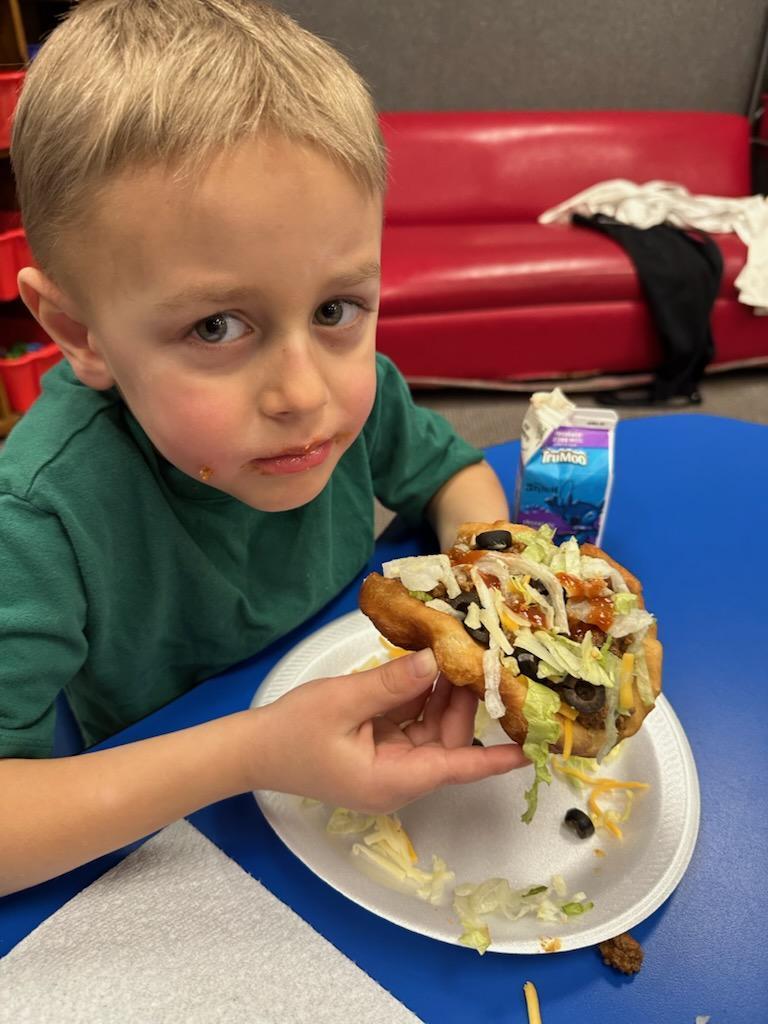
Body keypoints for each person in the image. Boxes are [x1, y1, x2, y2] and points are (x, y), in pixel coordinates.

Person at [0, 0, 527, 896]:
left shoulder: (361, 401)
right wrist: (254, 753)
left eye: (335, 310)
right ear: (78, 332)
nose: (305, 394)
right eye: (217, 325)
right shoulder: (37, 519)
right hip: (174, 830)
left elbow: (459, 476)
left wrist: (491, 603)